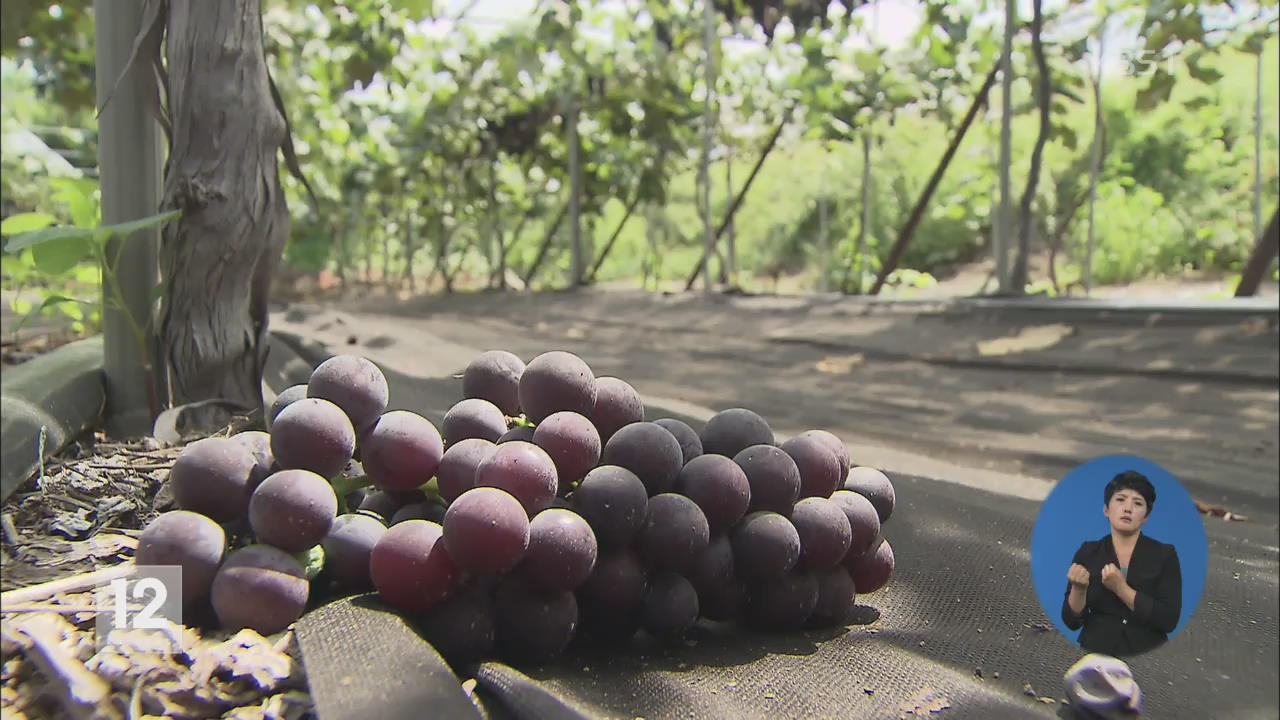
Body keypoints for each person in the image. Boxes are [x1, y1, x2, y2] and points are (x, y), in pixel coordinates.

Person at [1061, 470, 1182, 657]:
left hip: (1148, 655)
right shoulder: (1088, 551)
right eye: (1120, 500)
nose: (1128, 508)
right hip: (1095, 653)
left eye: (1138, 503)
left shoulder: (1164, 555)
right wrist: (1079, 589)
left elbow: (1168, 619)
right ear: (1106, 510)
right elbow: (1071, 621)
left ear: (1146, 516)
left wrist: (1121, 589)